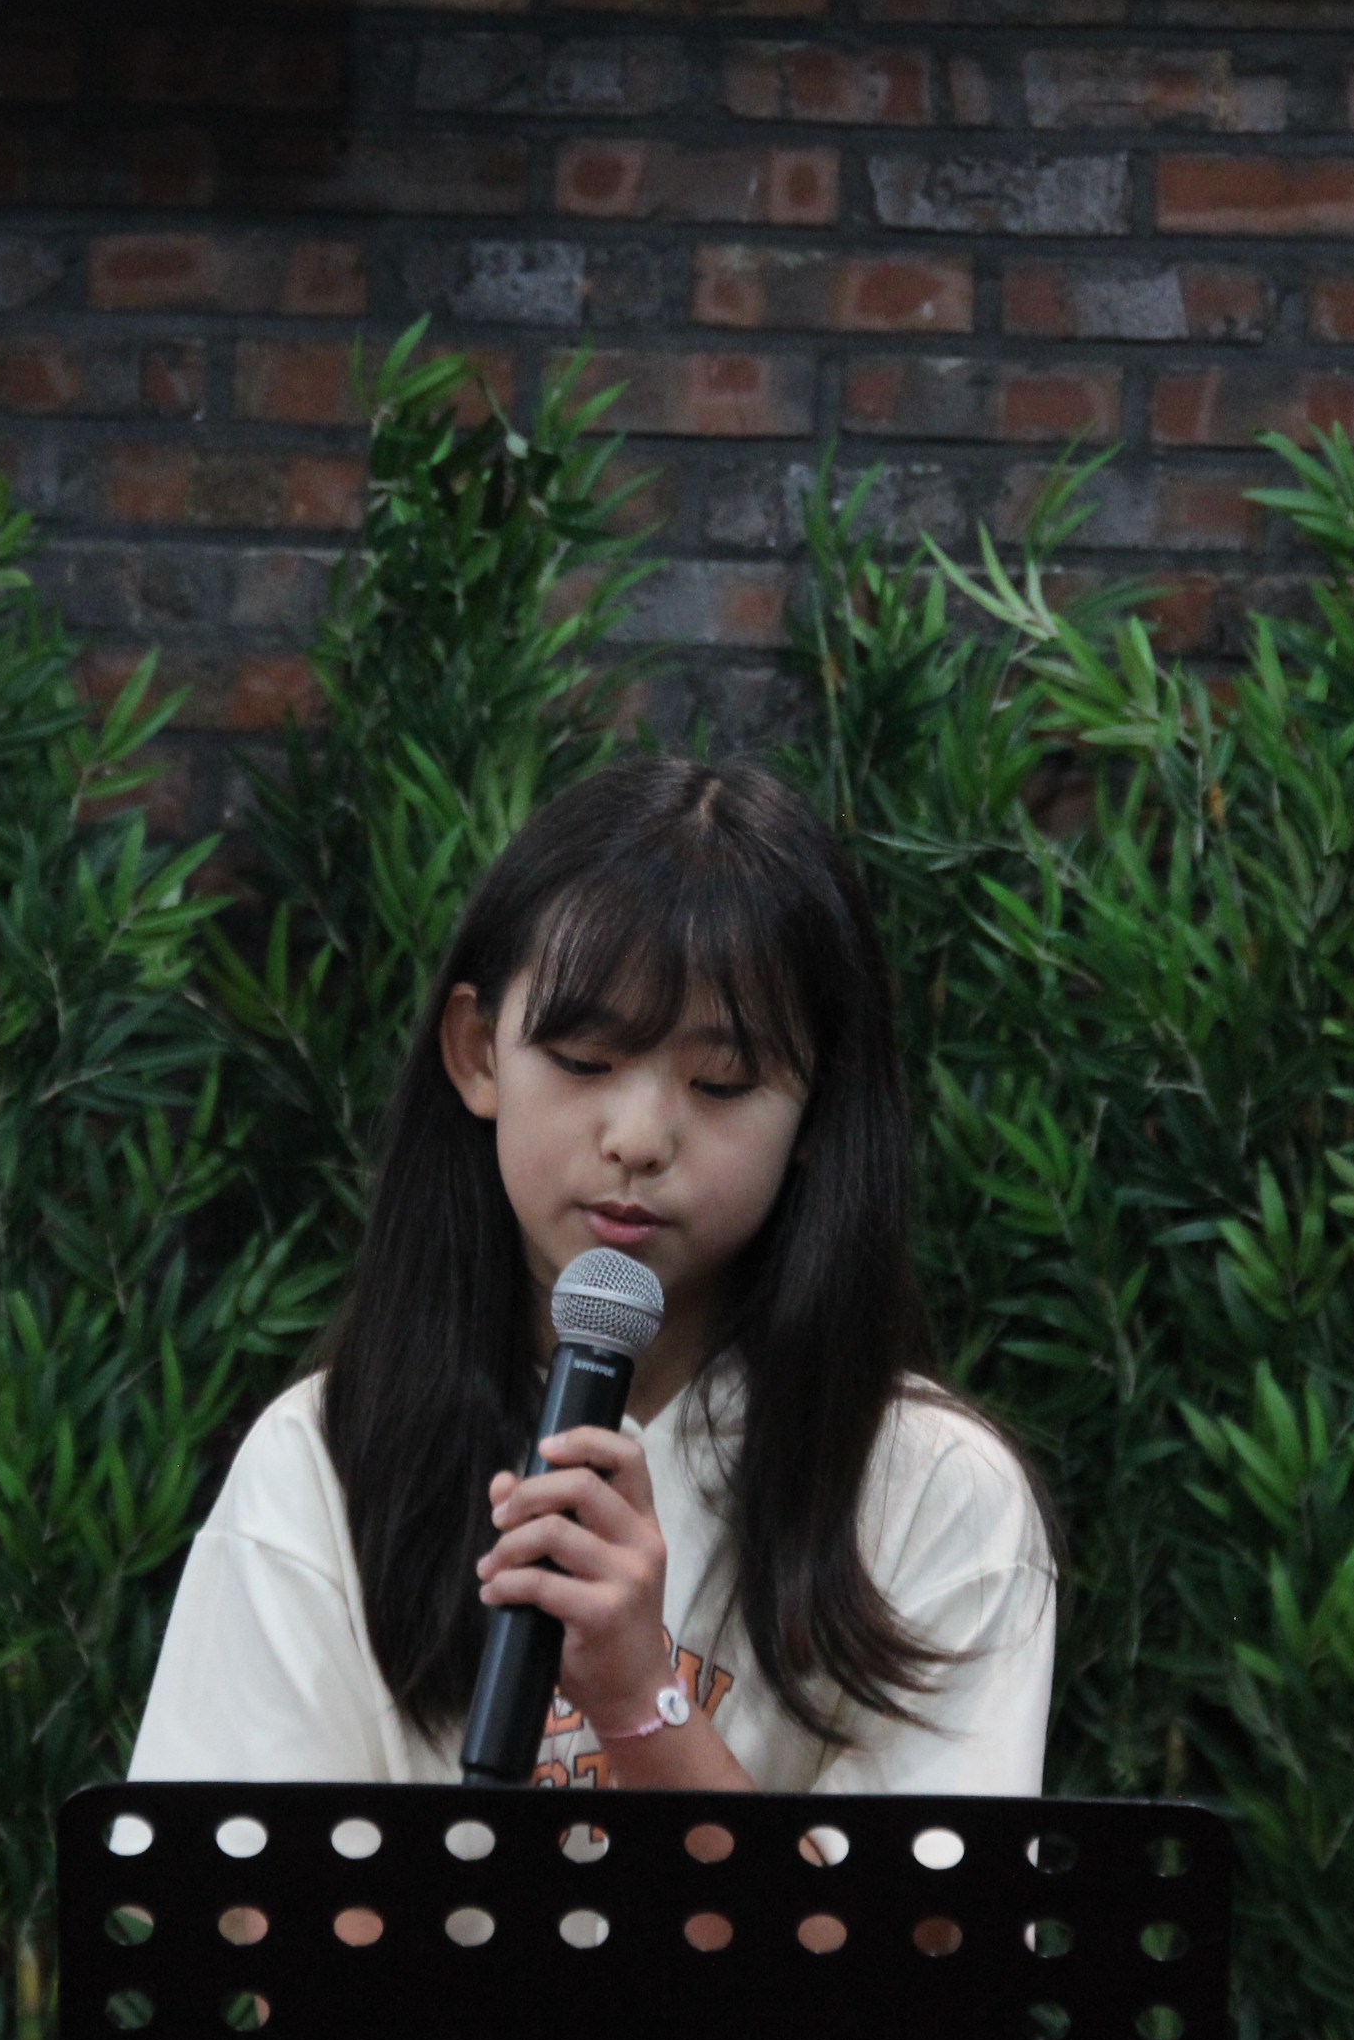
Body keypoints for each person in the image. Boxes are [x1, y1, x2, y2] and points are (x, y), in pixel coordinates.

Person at [129, 758, 1056, 1793]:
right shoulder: (323, 1460)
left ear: (816, 1109)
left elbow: (925, 1902)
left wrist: (639, 1699)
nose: (639, 1138)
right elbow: (234, 1878)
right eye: (583, 1061)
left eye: (723, 1082)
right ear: (479, 1052)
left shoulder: (931, 1492)